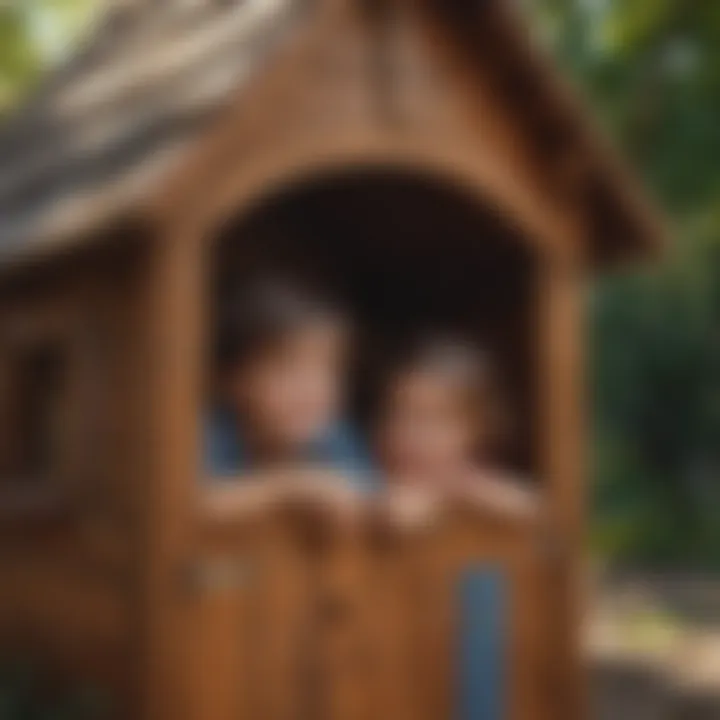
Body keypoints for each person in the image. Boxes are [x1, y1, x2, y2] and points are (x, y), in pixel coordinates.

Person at [203, 278, 375, 516]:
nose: (313, 388)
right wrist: (289, 485)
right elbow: (193, 504)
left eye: (329, 369)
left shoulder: (334, 436)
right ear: (230, 379)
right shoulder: (214, 432)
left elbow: (370, 502)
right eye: (286, 368)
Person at [370, 335, 538, 525]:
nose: (414, 434)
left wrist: (455, 496)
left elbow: (531, 507)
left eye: (436, 420)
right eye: (399, 415)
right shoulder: (370, 478)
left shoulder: (472, 481)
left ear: (479, 429)